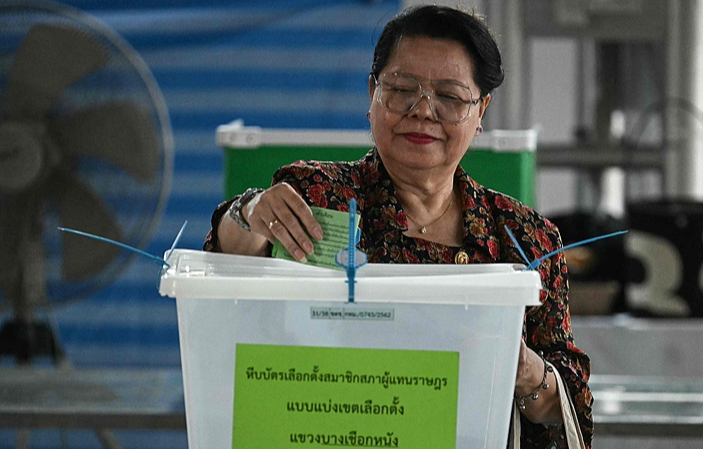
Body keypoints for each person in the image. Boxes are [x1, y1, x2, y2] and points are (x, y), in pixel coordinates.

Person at [204, 5, 592, 448]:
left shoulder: (524, 238)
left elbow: (571, 408)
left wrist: (522, 369)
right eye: (402, 89)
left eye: (449, 97)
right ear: (372, 94)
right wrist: (249, 211)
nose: (423, 112)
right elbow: (231, 257)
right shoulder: (319, 195)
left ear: (481, 109)